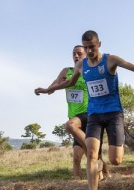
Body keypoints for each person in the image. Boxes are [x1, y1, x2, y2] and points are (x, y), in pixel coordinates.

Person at [35, 30, 134, 190]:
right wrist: (49, 89)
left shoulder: (110, 60)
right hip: (94, 115)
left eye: (92, 47)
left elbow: (132, 66)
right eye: (86, 47)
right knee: (91, 154)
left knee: (115, 160)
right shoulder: (81, 65)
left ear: (99, 44)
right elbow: (69, 83)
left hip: (113, 114)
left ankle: (122, 138)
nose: (89, 51)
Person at [36, 45, 110, 180]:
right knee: (77, 157)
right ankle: (77, 183)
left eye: (79, 54)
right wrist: (47, 89)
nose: (76, 56)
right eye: (74, 54)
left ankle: (101, 177)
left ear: (86, 55)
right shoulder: (66, 71)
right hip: (75, 116)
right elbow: (53, 88)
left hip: (89, 115)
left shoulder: (89, 71)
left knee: (73, 129)